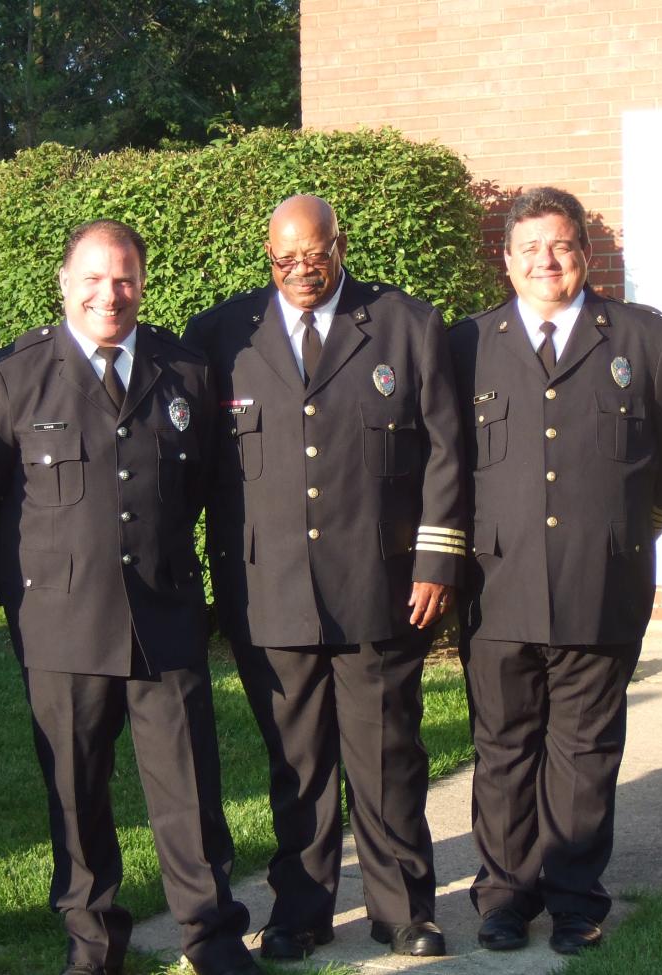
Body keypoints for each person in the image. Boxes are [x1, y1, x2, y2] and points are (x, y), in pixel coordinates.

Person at [0, 220, 259, 975]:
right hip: (61, 625)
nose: (109, 293)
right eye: (93, 277)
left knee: (190, 792)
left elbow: (198, 488)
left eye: (124, 277)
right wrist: (23, 602)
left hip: (165, 617)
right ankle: (93, 946)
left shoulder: (182, 368)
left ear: (143, 282)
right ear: (64, 282)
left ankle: (212, 939)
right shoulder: (12, 376)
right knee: (76, 795)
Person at [183, 195, 467, 961]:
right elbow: (195, 467)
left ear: (341, 244)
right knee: (296, 763)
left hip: (378, 583)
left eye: (314, 254)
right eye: (284, 259)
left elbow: (447, 450)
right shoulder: (222, 335)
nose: (300, 270)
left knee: (388, 756)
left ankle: (403, 906)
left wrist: (437, 559)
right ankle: (301, 911)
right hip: (267, 588)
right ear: (266, 256)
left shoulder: (405, 324)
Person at [448, 187, 662, 955]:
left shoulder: (644, 339)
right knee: (502, 749)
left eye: (560, 246)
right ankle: (503, 898)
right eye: (528, 248)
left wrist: (629, 531)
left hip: (603, 584)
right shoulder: (468, 345)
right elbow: (448, 464)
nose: (545, 261)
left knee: (585, 752)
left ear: (586, 255)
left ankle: (573, 899)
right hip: (498, 586)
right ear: (506, 259)